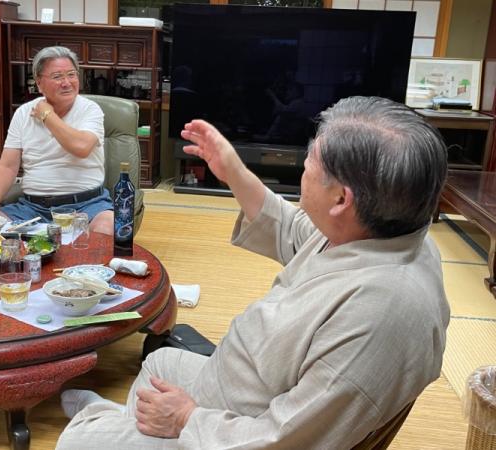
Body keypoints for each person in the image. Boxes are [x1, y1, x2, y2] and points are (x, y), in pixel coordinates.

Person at [55, 96, 450, 449]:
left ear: (341, 199)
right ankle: (121, 425)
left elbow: (286, 437)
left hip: (238, 426)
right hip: (244, 381)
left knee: (76, 440)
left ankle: (101, 423)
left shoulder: (379, 314)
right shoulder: (383, 230)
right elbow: (292, 228)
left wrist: (186, 419)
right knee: (160, 365)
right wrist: (232, 170)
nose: (303, 170)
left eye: (308, 164)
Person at [0, 46, 113, 234]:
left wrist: (47, 115)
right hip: (33, 208)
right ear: (39, 83)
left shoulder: (90, 109)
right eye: (57, 76)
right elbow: (7, 166)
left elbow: (81, 147)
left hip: (87, 205)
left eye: (71, 75)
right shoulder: (23, 113)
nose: (67, 83)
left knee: (105, 229)